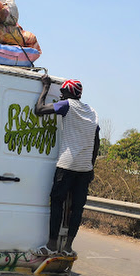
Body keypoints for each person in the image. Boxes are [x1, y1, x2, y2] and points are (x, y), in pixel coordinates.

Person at [34, 74, 100, 256]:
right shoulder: (92, 111)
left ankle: (52, 245)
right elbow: (96, 143)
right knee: (77, 208)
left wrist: (46, 87)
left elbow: (39, 109)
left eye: (62, 93)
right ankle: (68, 247)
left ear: (68, 94)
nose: (61, 97)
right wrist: (91, 166)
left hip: (67, 165)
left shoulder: (67, 105)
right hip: (85, 167)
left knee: (57, 202)